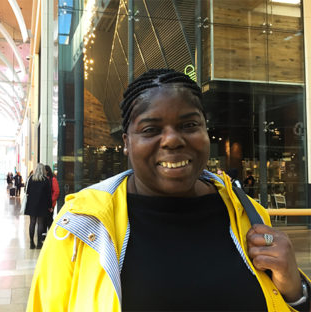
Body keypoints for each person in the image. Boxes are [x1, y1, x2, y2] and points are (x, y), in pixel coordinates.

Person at [26, 69, 310, 311]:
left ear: (205, 132)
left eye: (189, 125)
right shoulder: (79, 227)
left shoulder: (249, 215)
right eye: (150, 129)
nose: (173, 140)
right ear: (126, 142)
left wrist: (297, 291)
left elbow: (289, 301)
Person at [24, 163, 51, 250]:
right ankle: (39, 243)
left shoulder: (31, 178)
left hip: (32, 204)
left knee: (32, 222)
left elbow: (27, 191)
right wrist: (50, 206)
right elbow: (48, 195)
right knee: (40, 223)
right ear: (43, 170)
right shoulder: (45, 180)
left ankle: (32, 243)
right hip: (42, 204)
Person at [44, 165, 60, 232]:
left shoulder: (53, 179)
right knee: (44, 220)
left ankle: (51, 233)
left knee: (49, 219)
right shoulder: (44, 179)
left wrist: (50, 201)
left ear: (47, 171)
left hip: (51, 203)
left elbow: (56, 192)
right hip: (45, 203)